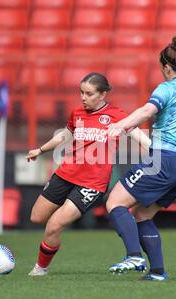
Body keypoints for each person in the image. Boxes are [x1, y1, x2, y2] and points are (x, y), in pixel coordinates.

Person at [105, 35, 176, 281]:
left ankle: (133, 255)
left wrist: (120, 126)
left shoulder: (167, 88)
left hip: (163, 160)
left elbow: (146, 111)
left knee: (115, 202)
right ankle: (157, 272)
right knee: (143, 215)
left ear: (166, 67)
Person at [26, 72, 151, 277]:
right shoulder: (77, 113)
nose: (83, 97)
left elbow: (141, 138)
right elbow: (64, 137)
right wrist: (40, 150)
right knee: (36, 217)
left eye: (89, 93)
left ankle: (40, 269)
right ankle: (53, 239)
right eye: (81, 92)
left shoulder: (117, 116)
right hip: (66, 173)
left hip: (91, 184)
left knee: (53, 225)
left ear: (103, 95)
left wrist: (161, 153)